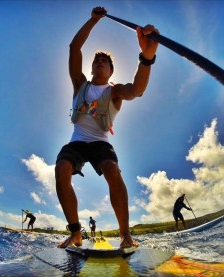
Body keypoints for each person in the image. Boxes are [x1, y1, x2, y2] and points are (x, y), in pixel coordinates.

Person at [55, 6, 159, 249]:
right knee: (61, 168)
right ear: (92, 68)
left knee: (112, 169)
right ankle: (76, 232)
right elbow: (74, 48)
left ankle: (125, 235)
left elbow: (137, 90)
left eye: (105, 62)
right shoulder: (80, 83)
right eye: (97, 61)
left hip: (101, 143)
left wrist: (146, 58)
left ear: (111, 70)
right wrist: (93, 20)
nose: (100, 63)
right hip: (77, 141)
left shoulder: (115, 91)